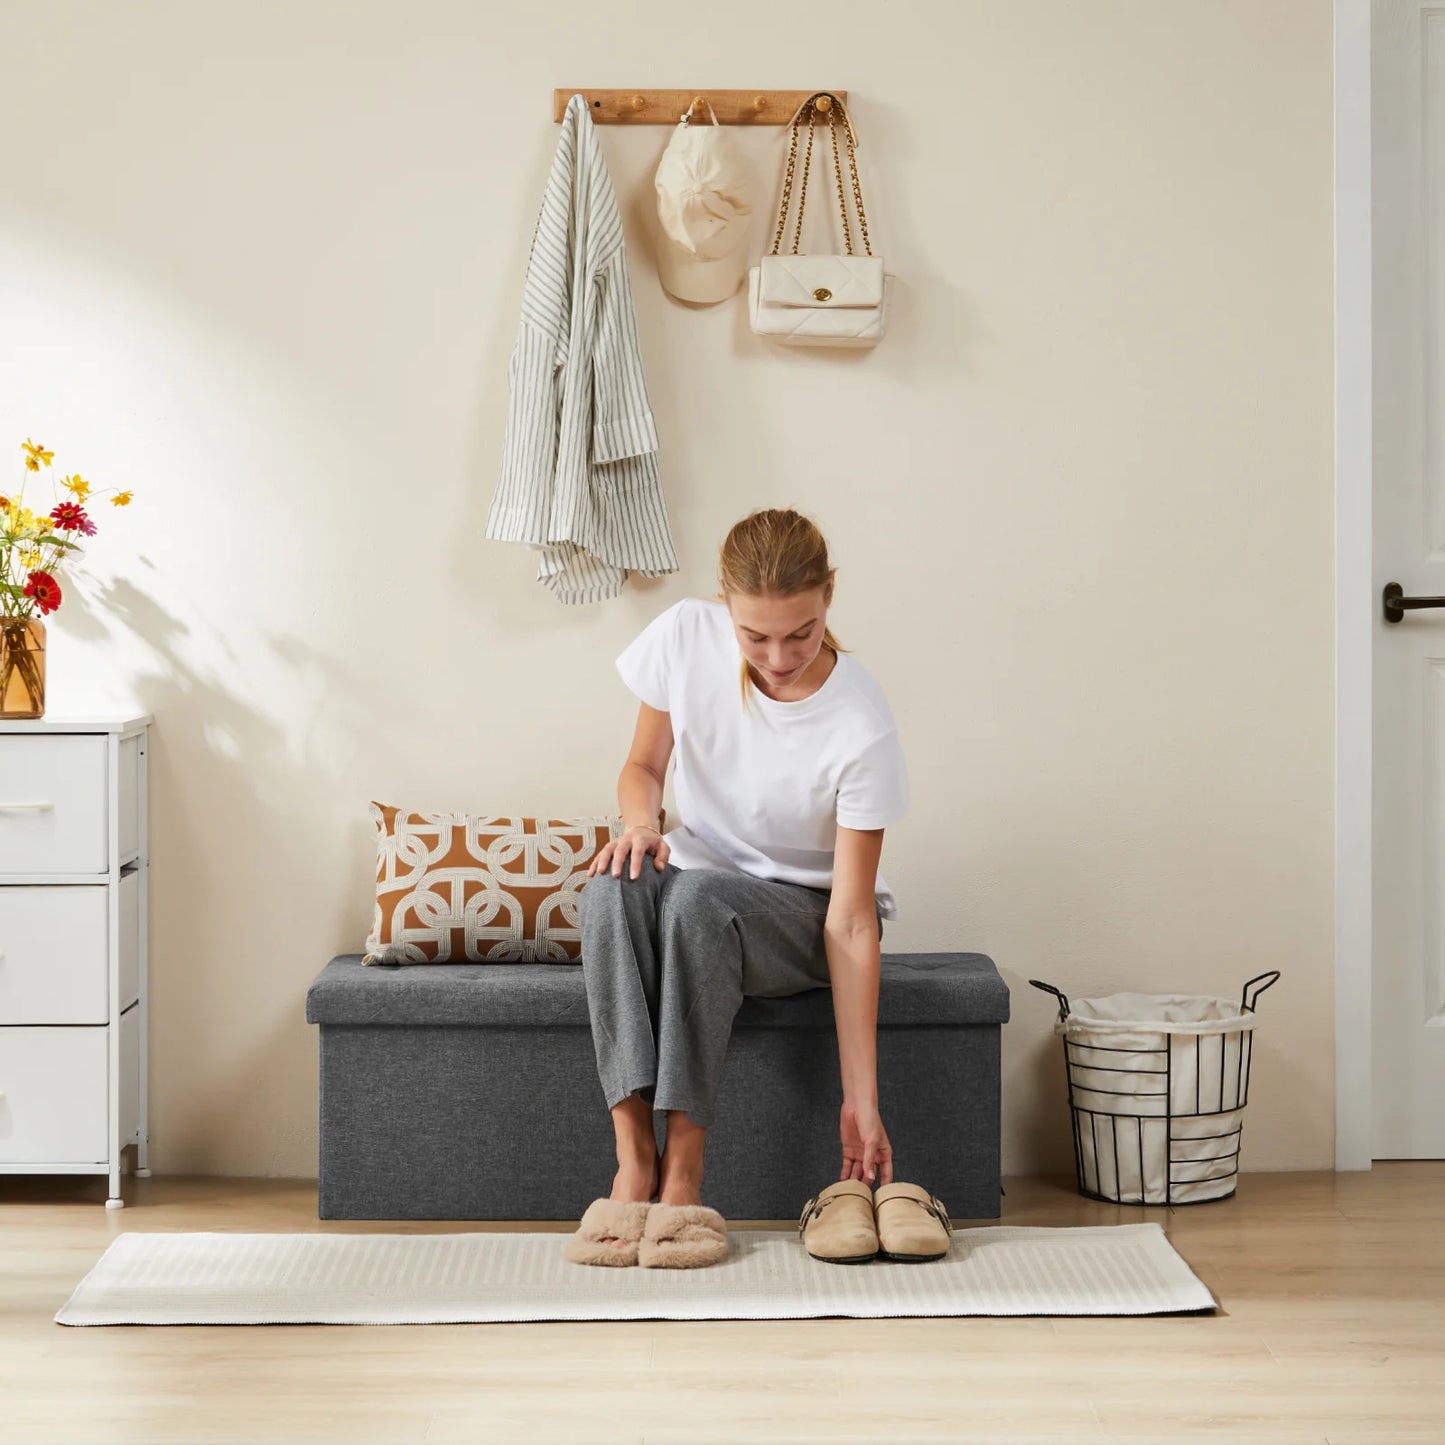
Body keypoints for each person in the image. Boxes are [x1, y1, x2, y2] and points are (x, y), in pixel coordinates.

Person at [566, 508, 909, 1268]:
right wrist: (639, 825)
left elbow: (852, 920)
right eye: (755, 636)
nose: (778, 656)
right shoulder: (685, 635)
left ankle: (685, 1179)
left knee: (694, 901)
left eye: (801, 632)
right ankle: (633, 1162)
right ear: (724, 604)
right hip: (701, 876)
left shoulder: (859, 725)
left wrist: (862, 1099)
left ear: (827, 599)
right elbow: (643, 768)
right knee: (607, 888)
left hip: (802, 915)